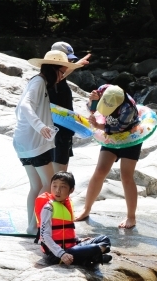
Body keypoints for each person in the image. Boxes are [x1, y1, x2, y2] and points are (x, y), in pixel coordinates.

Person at [15, 51, 78, 234]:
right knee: (50, 184)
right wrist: (40, 125)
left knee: (36, 185)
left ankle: (31, 226)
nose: (62, 77)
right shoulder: (39, 82)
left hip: (23, 143)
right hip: (34, 143)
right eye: (61, 72)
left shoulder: (39, 81)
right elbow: (25, 105)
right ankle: (38, 225)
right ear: (53, 70)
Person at [74, 85, 141, 229]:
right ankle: (86, 209)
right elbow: (94, 110)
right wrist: (92, 100)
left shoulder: (127, 107)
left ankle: (131, 217)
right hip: (109, 138)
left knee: (126, 176)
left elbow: (118, 129)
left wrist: (98, 126)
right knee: (100, 171)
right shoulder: (104, 89)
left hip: (130, 138)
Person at [36, 171, 112, 266]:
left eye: (63, 187)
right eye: (54, 186)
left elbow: (66, 231)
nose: (57, 190)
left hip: (72, 247)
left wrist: (78, 240)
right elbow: (44, 236)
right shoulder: (48, 208)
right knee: (94, 248)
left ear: (71, 190)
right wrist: (61, 254)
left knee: (105, 239)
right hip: (56, 254)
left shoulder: (66, 205)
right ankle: (93, 255)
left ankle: (91, 256)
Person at [48, 41, 91, 173]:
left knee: (60, 170)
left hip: (63, 130)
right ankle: (56, 193)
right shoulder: (50, 78)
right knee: (59, 173)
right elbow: (57, 78)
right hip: (58, 131)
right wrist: (76, 66)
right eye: (67, 60)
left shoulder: (56, 76)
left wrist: (75, 66)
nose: (68, 65)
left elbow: (62, 75)